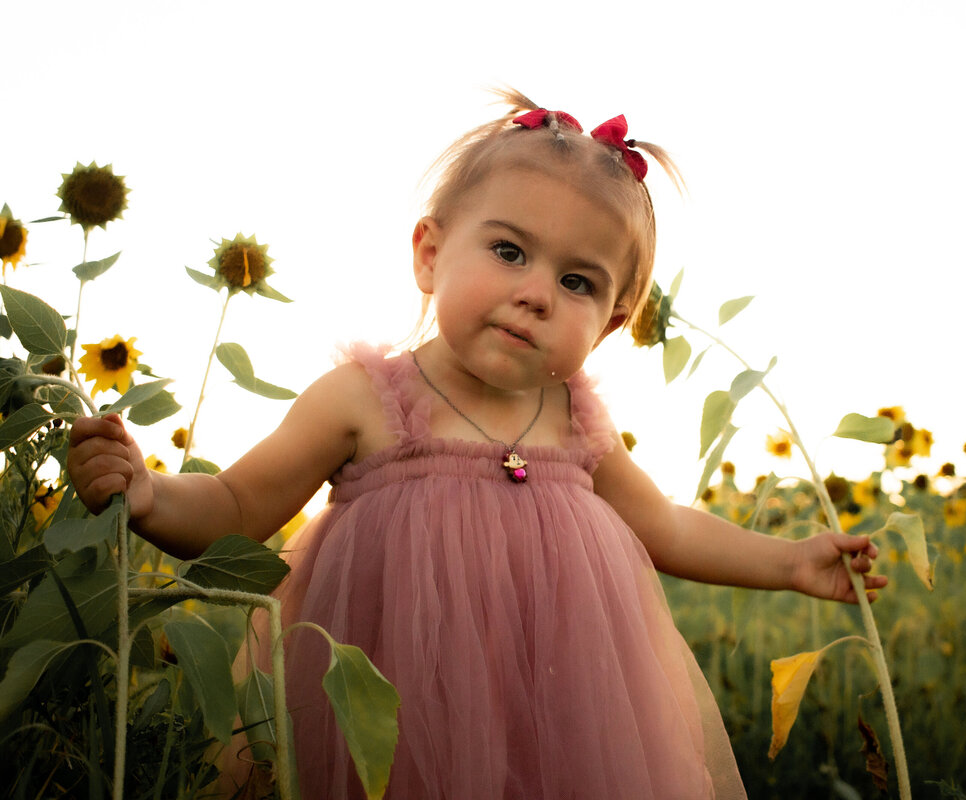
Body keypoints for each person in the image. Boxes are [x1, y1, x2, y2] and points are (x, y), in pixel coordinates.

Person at [67, 89, 887, 800]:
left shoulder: (578, 424)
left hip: (561, 719)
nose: (534, 293)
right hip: (389, 704)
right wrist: (147, 494)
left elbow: (667, 529)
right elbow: (239, 506)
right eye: (508, 252)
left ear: (609, 323)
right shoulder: (369, 398)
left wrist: (789, 562)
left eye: (577, 281)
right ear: (430, 254)